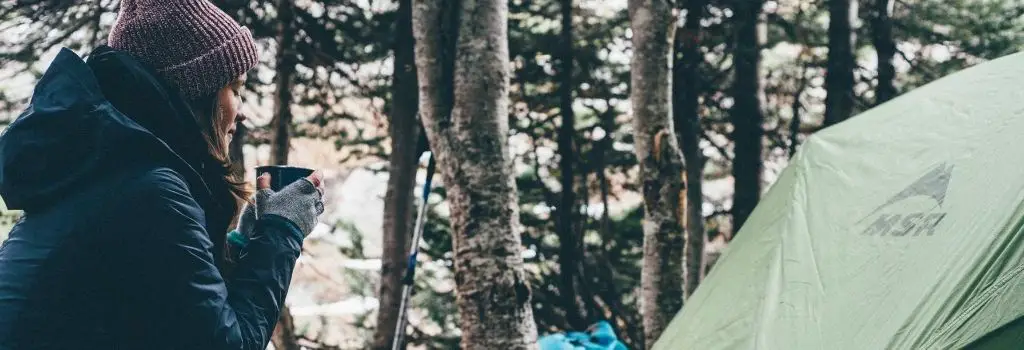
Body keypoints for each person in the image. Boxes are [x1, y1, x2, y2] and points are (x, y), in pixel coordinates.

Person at [0, 0, 325, 349]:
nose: (241, 113)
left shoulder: (106, 173)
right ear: (194, 92)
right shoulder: (151, 192)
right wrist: (281, 233)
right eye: (235, 89)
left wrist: (243, 246)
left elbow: (174, 317)